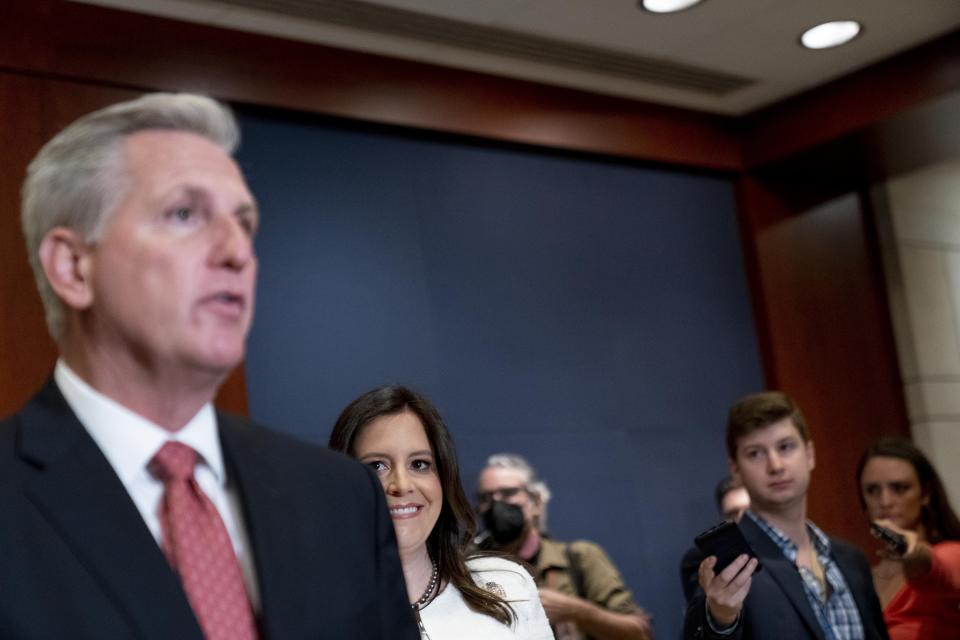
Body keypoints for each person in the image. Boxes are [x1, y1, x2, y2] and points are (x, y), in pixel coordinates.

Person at [0, 93, 417, 639]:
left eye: (244, 223)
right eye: (184, 214)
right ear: (74, 266)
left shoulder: (339, 497)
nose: (236, 252)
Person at [329, 384, 554, 639]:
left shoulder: (509, 584)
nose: (402, 485)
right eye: (377, 466)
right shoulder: (307, 611)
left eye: (419, 464)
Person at [684, 391, 889, 640]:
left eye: (785, 447)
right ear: (735, 470)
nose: (776, 465)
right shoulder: (725, 562)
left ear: (810, 454)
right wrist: (720, 618)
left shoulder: (851, 560)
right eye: (755, 454)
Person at [477, 454, 653, 640]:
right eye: (485, 498)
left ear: (536, 502)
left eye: (508, 493)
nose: (496, 503)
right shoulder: (469, 568)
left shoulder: (580, 557)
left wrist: (576, 611)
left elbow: (639, 632)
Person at [855, 436, 960, 639]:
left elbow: (935, 566)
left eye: (899, 488)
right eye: (872, 490)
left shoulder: (952, 552)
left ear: (925, 493)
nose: (885, 501)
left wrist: (910, 550)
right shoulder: (862, 579)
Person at [680, 477, 751, 602]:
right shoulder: (702, 559)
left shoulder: (783, 545)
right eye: (733, 514)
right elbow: (701, 612)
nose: (742, 519)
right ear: (724, 518)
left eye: (749, 511)